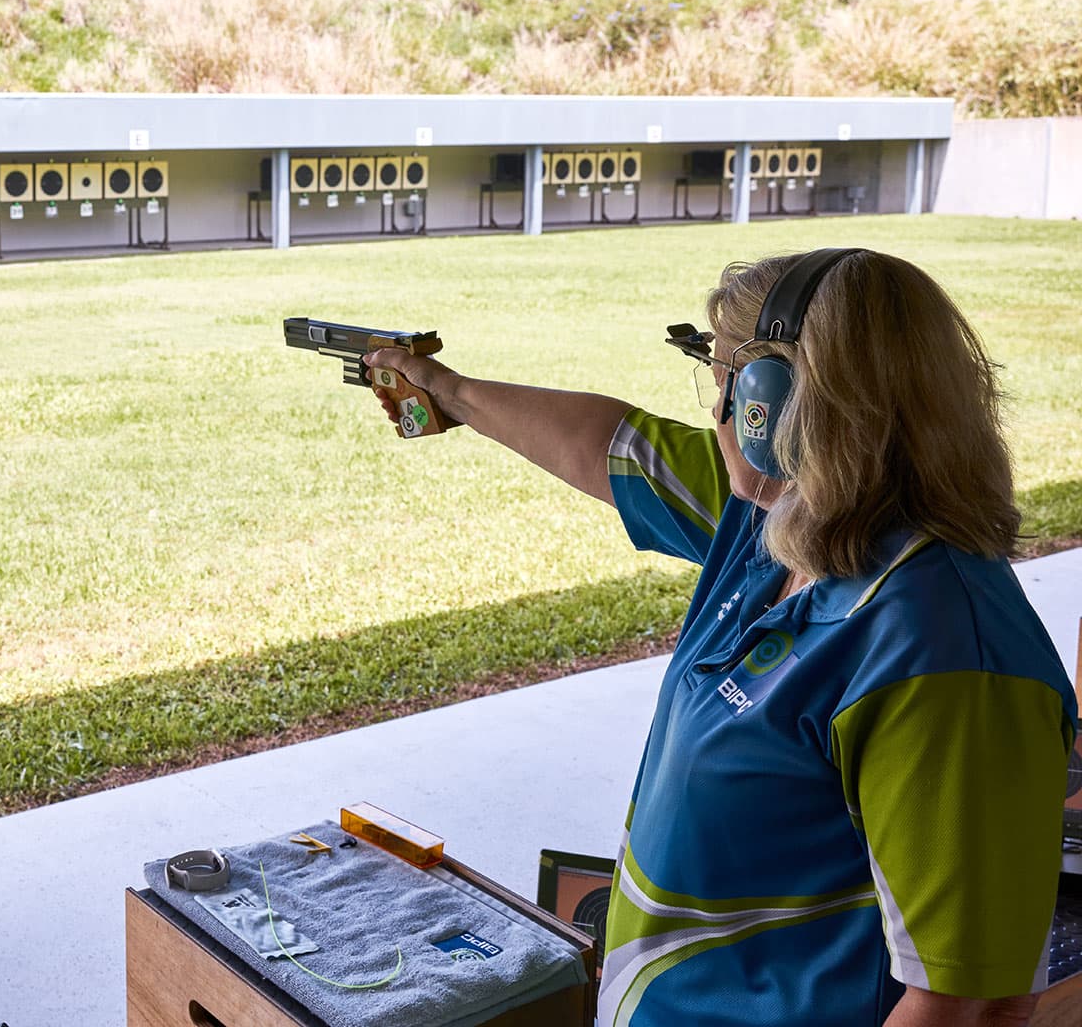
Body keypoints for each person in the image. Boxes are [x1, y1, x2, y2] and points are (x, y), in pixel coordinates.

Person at [362, 248, 1077, 1027]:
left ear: (782, 398)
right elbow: (607, 444)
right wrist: (449, 391)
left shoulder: (943, 657)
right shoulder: (780, 518)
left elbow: (966, 1003)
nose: (718, 410)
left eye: (728, 374)